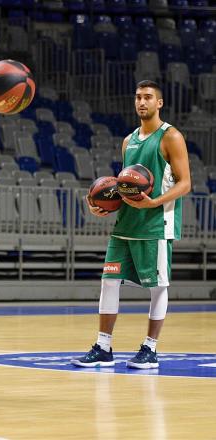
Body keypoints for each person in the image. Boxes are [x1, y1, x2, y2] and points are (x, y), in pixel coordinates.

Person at [72, 80, 191, 370]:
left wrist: (155, 202)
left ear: (159, 103)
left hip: (156, 224)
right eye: (138, 97)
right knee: (109, 281)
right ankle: (103, 346)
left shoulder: (171, 136)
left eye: (148, 97)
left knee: (158, 286)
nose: (142, 102)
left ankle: (150, 349)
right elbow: (125, 185)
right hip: (126, 225)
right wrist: (104, 202)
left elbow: (186, 183)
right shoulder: (128, 140)